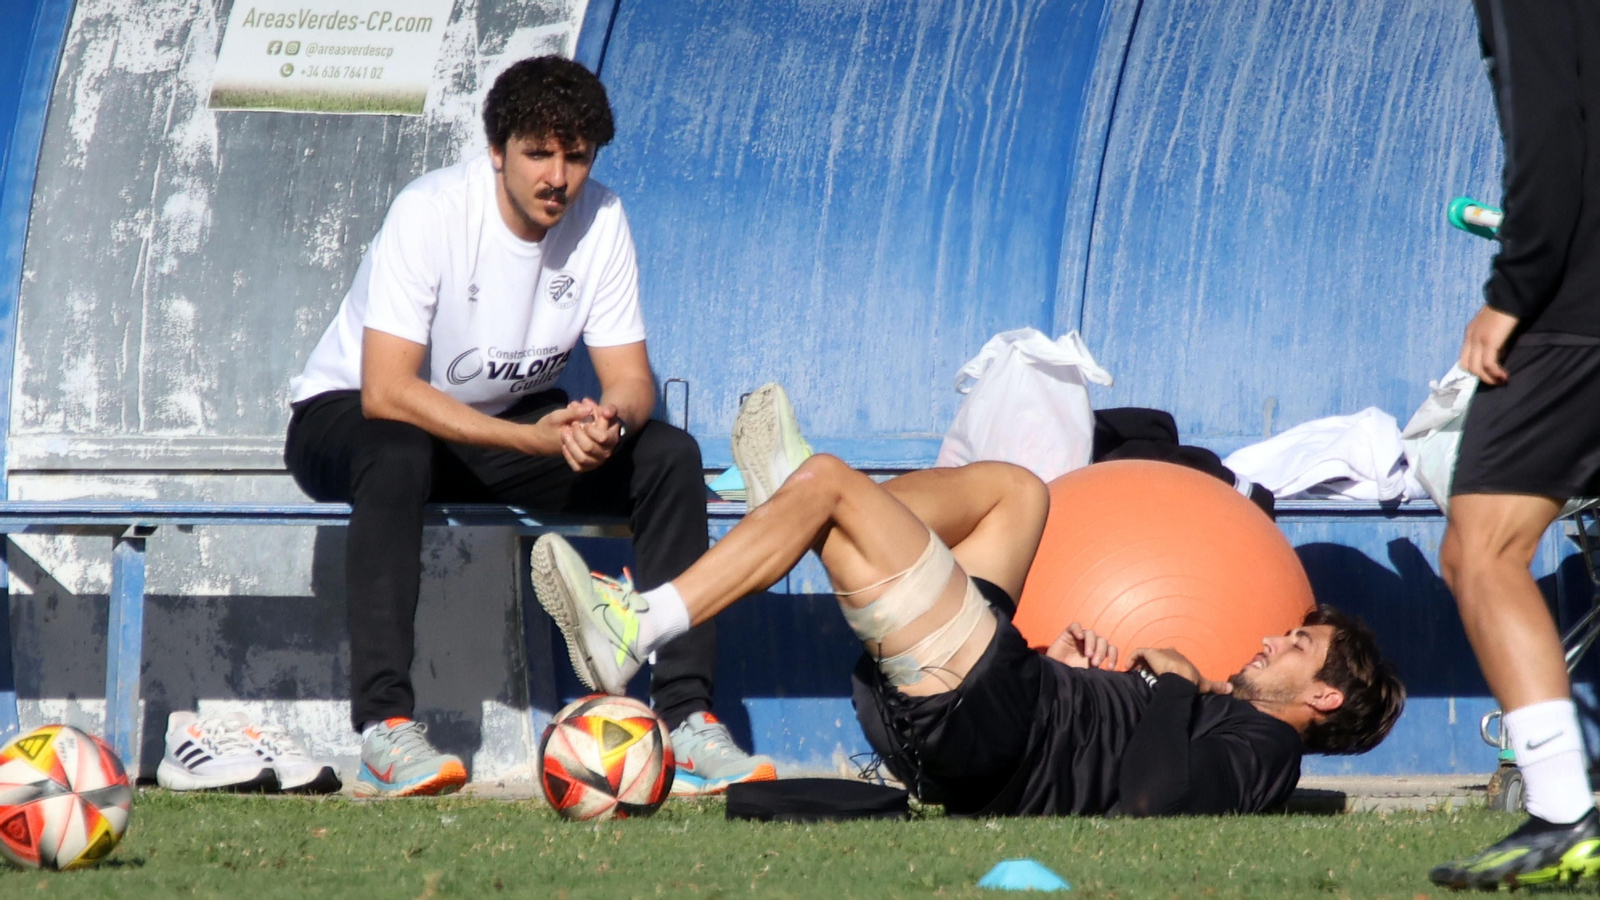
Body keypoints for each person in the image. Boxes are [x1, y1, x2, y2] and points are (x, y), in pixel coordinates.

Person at [532, 384, 1405, 816]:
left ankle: (645, 622)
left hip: (989, 719)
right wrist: (1095, 680)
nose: (1271, 638)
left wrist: (1168, 679)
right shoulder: (1239, 720)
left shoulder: (1267, 752)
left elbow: (1151, 801)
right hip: (1005, 697)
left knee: (834, 482)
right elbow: (1119, 757)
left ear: (1324, 697)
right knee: (1020, 494)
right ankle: (797, 509)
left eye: (1297, 644)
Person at [278, 56, 773, 797]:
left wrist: (607, 422)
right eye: (539, 152)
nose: (558, 177)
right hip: (350, 416)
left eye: (576, 156)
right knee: (397, 447)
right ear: (497, 150)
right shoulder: (433, 209)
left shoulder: (602, 218)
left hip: (492, 429)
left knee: (669, 455)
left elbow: (632, 381)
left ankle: (686, 720)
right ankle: (385, 731)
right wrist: (538, 438)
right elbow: (387, 389)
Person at [1429, 1, 1600, 888]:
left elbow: (1551, 143)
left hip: (1575, 309)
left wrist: (1512, 290)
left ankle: (1564, 815)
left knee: (1482, 550)